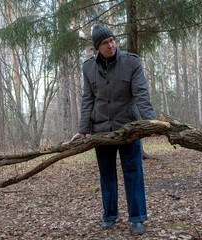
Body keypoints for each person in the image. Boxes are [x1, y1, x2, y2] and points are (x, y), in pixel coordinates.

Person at [70, 24, 156, 235]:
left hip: (128, 129)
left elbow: (141, 93)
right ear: (97, 47)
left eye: (112, 40)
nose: (111, 45)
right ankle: (109, 215)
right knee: (107, 175)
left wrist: (150, 121)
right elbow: (87, 99)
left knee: (133, 172)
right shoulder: (88, 68)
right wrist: (83, 130)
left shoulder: (131, 62)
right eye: (105, 43)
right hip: (101, 132)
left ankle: (137, 218)